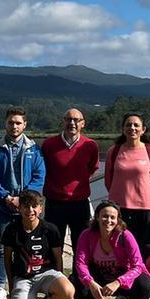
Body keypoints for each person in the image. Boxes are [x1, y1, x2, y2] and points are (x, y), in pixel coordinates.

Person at [0, 106, 46, 299]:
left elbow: (39, 175)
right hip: (3, 207)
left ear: (25, 125)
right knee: (2, 248)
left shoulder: (34, 148)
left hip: (27, 207)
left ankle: (28, 285)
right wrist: (5, 197)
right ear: (5, 123)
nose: (14, 126)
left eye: (18, 122)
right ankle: (1, 287)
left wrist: (24, 199)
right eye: (11, 122)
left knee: (29, 246)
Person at [74, 200, 150, 299]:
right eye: (105, 216)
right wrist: (90, 282)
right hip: (99, 276)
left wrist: (118, 282)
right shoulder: (87, 234)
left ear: (118, 219)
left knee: (145, 285)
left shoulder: (125, 235)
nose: (108, 220)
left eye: (113, 217)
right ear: (97, 217)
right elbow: (80, 263)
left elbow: (137, 265)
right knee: (75, 282)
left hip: (122, 277)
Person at [2, 191, 73, 299]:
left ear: (41, 208)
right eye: (26, 206)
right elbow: (7, 259)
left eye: (34, 206)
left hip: (46, 274)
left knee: (68, 292)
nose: (30, 210)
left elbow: (58, 258)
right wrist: (11, 285)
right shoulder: (12, 230)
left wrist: (59, 279)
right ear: (19, 208)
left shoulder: (50, 229)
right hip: (23, 278)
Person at [40, 108, 100, 254]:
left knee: (81, 244)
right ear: (63, 122)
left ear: (83, 124)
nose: (72, 123)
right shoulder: (49, 144)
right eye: (68, 119)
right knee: (54, 244)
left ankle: (78, 276)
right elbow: (42, 169)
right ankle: (55, 275)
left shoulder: (90, 145)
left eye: (76, 120)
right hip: (55, 202)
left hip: (80, 203)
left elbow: (92, 168)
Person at [104, 111, 150, 252]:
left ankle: (143, 273)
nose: (132, 128)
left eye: (136, 125)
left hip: (146, 208)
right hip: (120, 207)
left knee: (145, 246)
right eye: (128, 125)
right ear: (123, 129)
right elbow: (108, 180)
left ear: (143, 129)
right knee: (120, 245)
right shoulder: (114, 151)